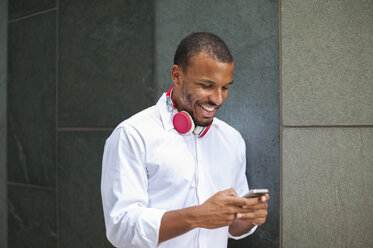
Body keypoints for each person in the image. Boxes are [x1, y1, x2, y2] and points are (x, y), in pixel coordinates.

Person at [101, 32, 269, 248]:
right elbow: (122, 229)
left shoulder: (232, 139)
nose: (218, 99)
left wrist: (248, 217)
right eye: (207, 86)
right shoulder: (133, 134)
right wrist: (197, 216)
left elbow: (231, 228)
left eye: (225, 87)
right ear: (177, 75)